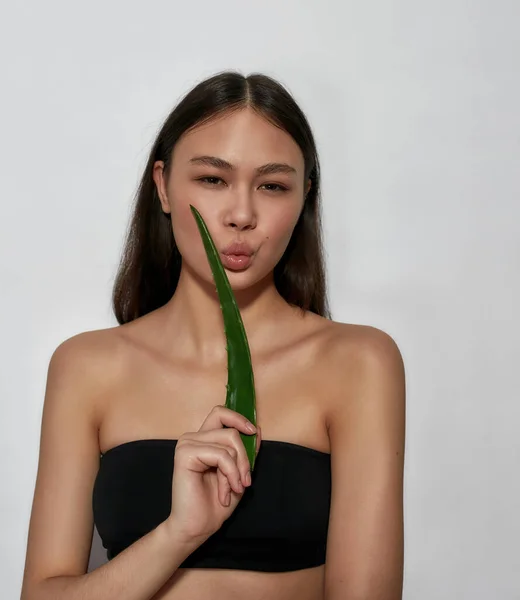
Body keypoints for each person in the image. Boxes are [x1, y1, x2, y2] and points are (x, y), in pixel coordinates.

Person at [20, 70, 406, 600]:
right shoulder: (86, 367)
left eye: (272, 186)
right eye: (212, 179)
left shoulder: (359, 362)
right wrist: (179, 534)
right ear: (163, 186)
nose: (242, 214)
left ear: (304, 197)